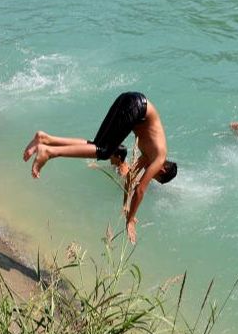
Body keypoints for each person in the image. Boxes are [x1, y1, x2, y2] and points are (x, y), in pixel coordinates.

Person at [22, 92, 176, 243]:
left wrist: (126, 206)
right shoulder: (160, 156)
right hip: (137, 107)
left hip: (129, 99)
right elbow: (140, 190)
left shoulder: (149, 154)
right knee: (104, 152)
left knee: (98, 146)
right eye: (156, 176)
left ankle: (45, 139)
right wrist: (130, 221)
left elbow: (130, 177)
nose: (152, 174)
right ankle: (49, 152)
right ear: (162, 170)